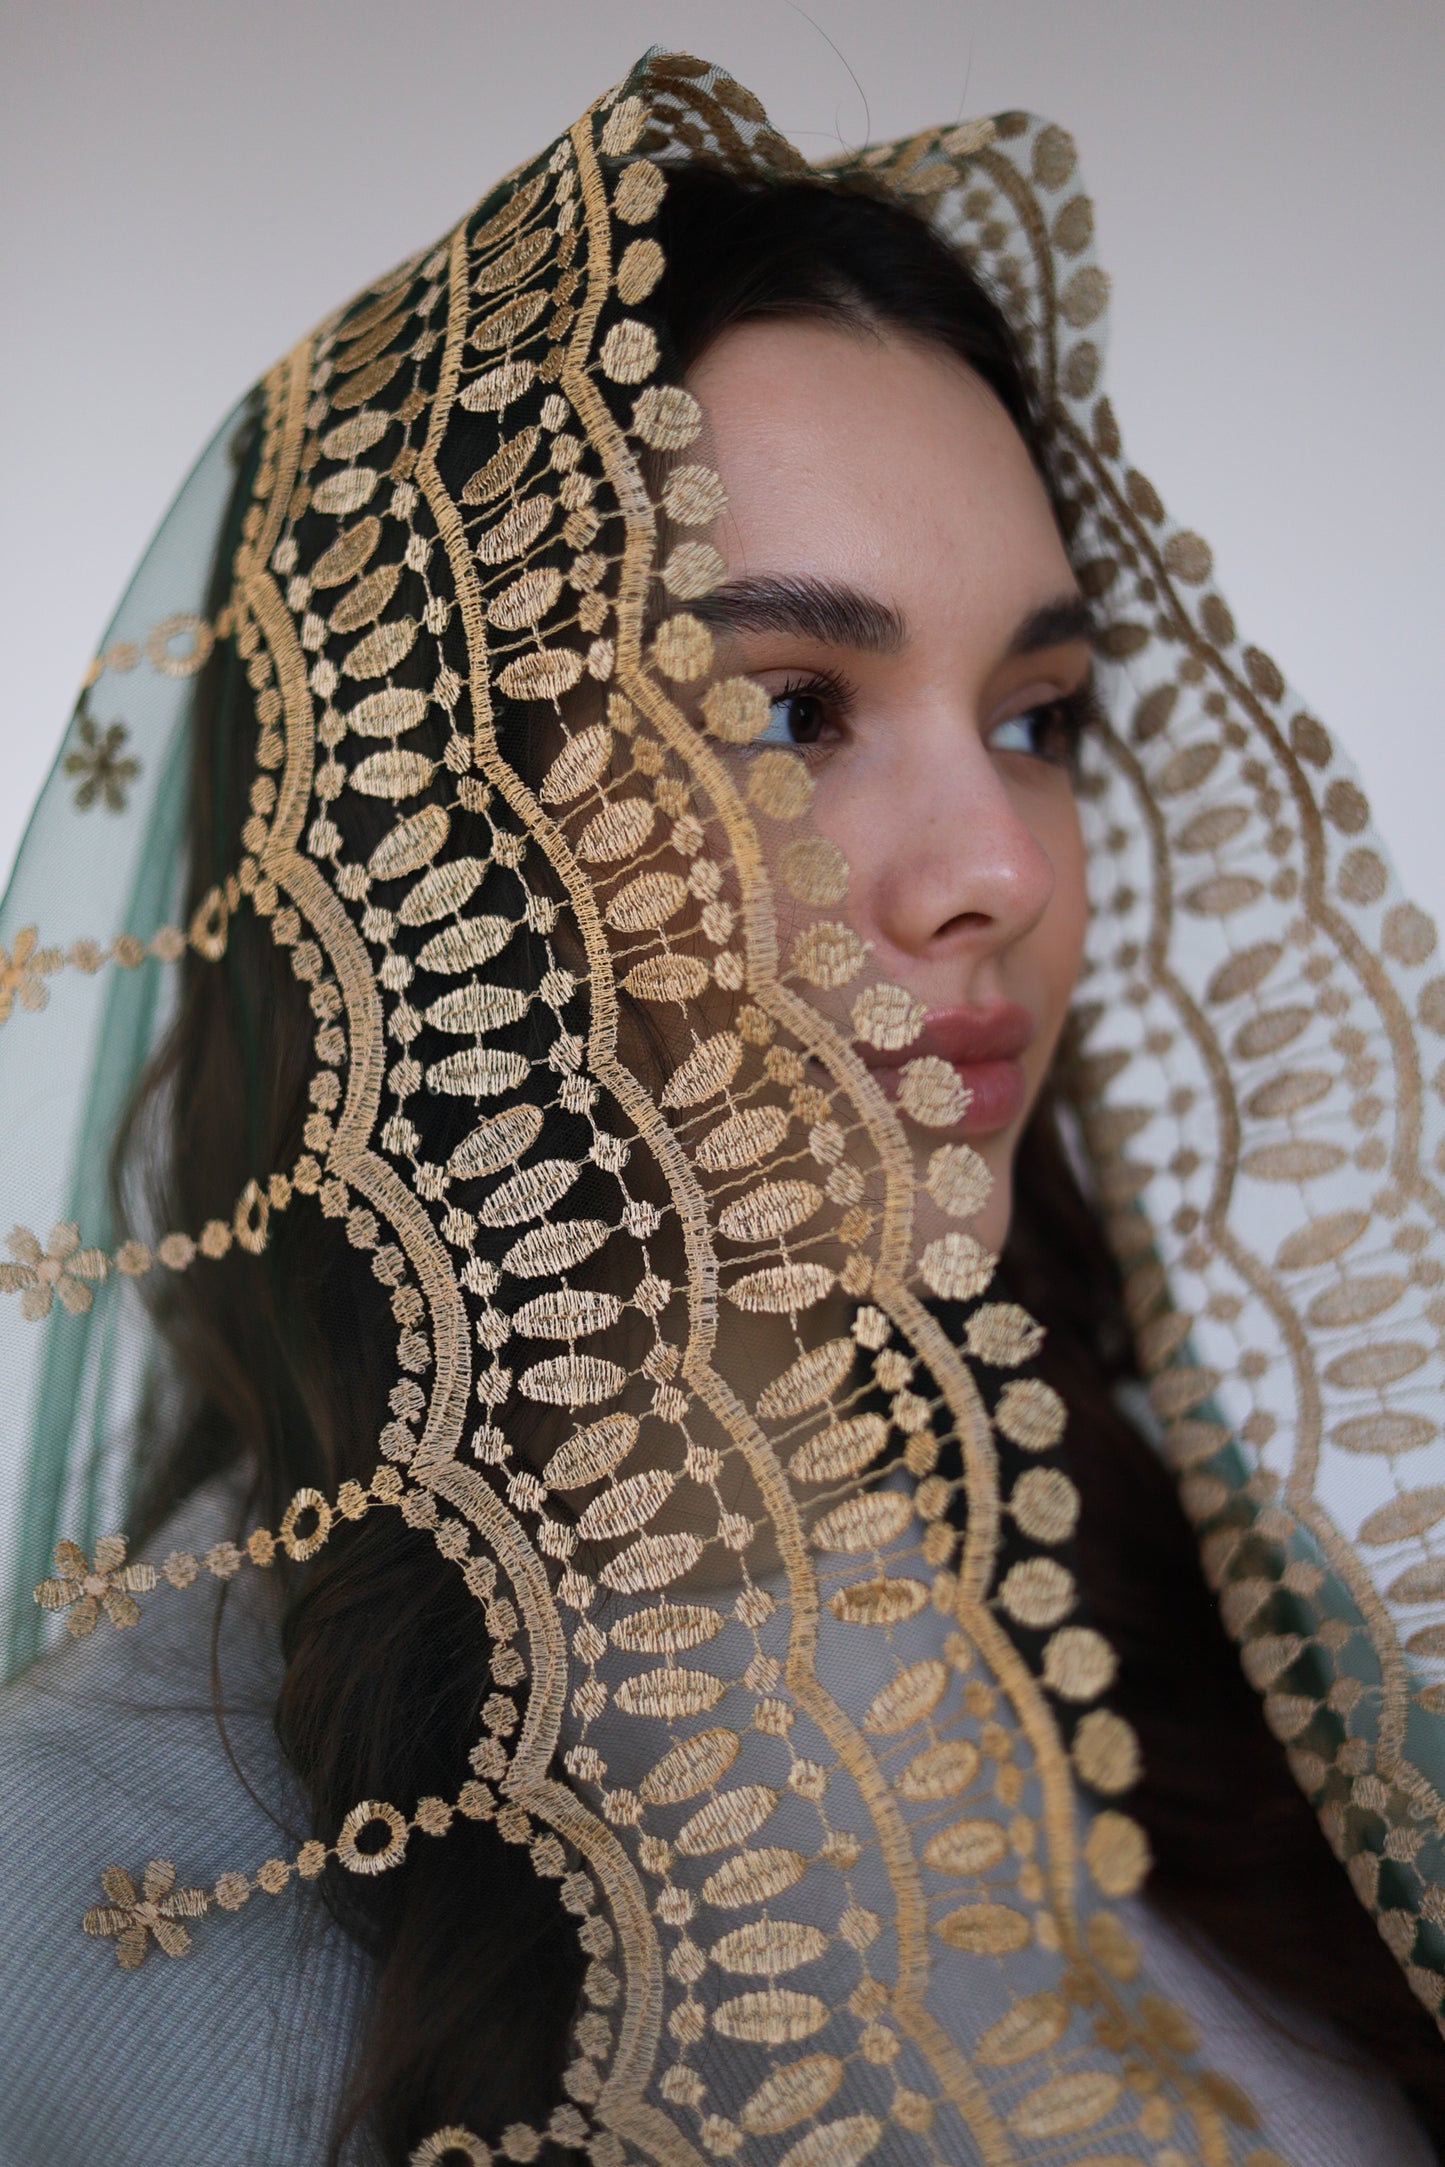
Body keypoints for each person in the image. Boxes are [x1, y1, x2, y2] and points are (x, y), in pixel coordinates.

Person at [1, 46, 1444, 2167]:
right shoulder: (111, 1899)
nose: (1004, 869)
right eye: (791, 707)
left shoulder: (1215, 1632)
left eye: (1037, 714)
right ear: (433, 815)